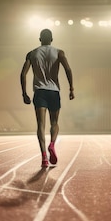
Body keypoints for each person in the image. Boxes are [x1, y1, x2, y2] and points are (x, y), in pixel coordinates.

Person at [20, 29, 74, 168]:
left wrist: (24, 93)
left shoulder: (32, 54)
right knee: (54, 123)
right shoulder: (59, 52)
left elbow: (23, 74)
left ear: (39, 39)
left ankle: (44, 157)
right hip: (54, 91)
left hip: (39, 92)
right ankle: (52, 144)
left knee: (40, 126)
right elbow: (68, 69)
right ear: (52, 39)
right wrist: (71, 88)